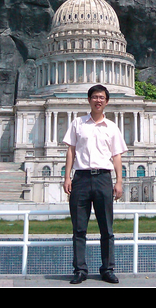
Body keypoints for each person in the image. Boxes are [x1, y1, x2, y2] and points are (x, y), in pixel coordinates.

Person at [63, 84, 127, 284]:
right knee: (79, 228)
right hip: (81, 178)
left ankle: (107, 269)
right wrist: (67, 177)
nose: (98, 100)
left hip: (103, 178)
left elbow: (116, 155)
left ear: (106, 101)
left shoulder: (112, 127)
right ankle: (80, 270)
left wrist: (119, 181)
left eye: (102, 97)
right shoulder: (78, 123)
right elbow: (71, 151)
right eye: (95, 97)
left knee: (106, 228)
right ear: (89, 100)